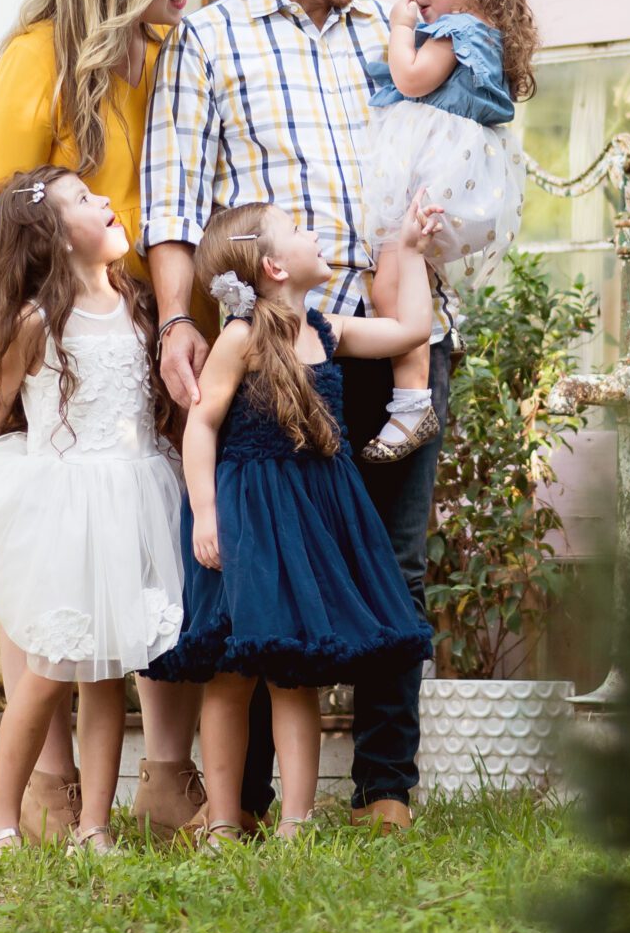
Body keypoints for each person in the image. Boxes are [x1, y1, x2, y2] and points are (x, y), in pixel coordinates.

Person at [141, 0, 454, 833]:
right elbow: (173, 203)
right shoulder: (211, 40)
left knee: (390, 563)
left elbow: (454, 147)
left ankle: (385, 786)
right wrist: (170, 323)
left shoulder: (395, 36)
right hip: (277, 352)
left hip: (395, 334)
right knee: (272, 568)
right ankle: (257, 799)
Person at [0, 0, 206, 843]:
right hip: (54, 338)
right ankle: (47, 785)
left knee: (146, 551)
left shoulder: (173, 57)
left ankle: (165, 776)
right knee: (46, 557)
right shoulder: (38, 60)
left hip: (147, 326)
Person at [147, 201, 440, 842]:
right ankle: (225, 817)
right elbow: (202, 424)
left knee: (293, 672)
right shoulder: (240, 337)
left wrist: (413, 251)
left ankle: (297, 823)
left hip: (310, 515)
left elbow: (413, 330)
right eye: (302, 229)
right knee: (230, 672)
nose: (318, 234)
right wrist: (204, 511)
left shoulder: (325, 329)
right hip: (248, 516)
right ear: (275, 265)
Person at [0, 168, 187, 854]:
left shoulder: (139, 308)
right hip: (65, 507)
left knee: (108, 672)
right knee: (51, 667)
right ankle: (0, 814)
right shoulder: (36, 324)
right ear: (51, 235)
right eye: (83, 199)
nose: (105, 200)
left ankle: (95, 827)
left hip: (130, 500)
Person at [355, 0, 534, 462]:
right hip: (436, 169)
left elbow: (409, 79)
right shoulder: (468, 31)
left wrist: (400, 27)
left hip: (432, 174)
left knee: (391, 281)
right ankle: (410, 400)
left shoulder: (457, 31)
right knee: (401, 279)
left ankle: (412, 403)